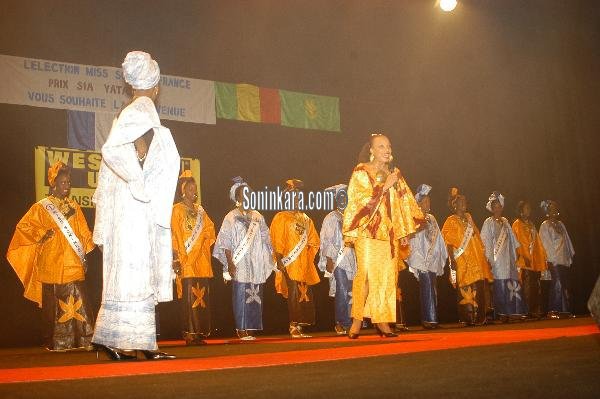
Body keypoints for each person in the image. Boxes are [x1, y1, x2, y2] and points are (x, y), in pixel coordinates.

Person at [91, 51, 180, 360]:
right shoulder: (140, 110)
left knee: (129, 273)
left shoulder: (133, 111)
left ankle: (123, 339)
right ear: (154, 87)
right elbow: (112, 150)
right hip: (132, 208)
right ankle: (129, 342)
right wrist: (139, 181)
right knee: (133, 271)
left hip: (129, 207)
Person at [7, 161, 95, 351]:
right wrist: (42, 234)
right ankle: (57, 342)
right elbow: (23, 228)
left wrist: (90, 249)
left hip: (73, 262)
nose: (67, 186)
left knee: (80, 300)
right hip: (52, 263)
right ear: (53, 184)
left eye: (69, 183)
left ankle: (83, 339)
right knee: (54, 305)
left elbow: (84, 232)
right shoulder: (41, 207)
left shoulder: (74, 206)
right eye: (63, 182)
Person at [342, 133, 423, 338]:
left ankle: (383, 322)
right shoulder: (362, 171)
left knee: (387, 277)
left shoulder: (395, 173)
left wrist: (403, 230)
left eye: (388, 146)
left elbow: (403, 204)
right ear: (371, 150)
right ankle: (357, 322)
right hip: (368, 232)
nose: (386, 150)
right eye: (381, 146)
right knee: (367, 275)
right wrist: (384, 186)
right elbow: (358, 202)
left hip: (389, 234)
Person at [214, 177, 275, 340]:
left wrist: (271, 256)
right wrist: (229, 263)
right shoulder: (231, 216)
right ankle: (241, 328)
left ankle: (252, 327)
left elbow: (266, 238)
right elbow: (225, 241)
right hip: (239, 261)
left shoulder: (257, 216)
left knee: (255, 293)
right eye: (244, 194)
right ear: (238, 197)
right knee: (241, 293)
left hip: (256, 261)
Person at [270, 179, 320, 338]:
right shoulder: (281, 217)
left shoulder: (306, 218)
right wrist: (279, 260)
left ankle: (300, 325)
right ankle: (293, 325)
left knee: (303, 295)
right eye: (294, 198)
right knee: (293, 294)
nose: (298, 201)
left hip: (304, 264)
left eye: (299, 198)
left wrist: (308, 257)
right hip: (289, 263)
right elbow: (278, 240)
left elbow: (314, 241)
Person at [171, 171, 216, 344]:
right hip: (187, 260)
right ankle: (190, 333)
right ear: (183, 191)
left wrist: (204, 234)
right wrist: (175, 258)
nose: (193, 192)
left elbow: (210, 229)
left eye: (195, 188)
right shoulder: (176, 210)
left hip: (202, 261)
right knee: (189, 298)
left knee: (202, 298)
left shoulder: (200, 211)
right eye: (190, 188)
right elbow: (174, 235)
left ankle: (200, 332)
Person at [441, 188, 493, 326]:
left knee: (479, 288)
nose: (464, 203)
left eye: (465, 201)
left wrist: (484, 257)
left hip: (476, 259)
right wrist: (452, 260)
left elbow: (477, 237)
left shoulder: (469, 217)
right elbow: (448, 242)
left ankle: (480, 317)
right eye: (461, 201)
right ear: (455, 205)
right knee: (466, 289)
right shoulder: (450, 220)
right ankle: (468, 318)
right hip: (463, 261)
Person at [406, 184, 448, 329]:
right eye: (425, 201)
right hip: (420, 258)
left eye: (429, 201)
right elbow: (409, 237)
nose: (428, 204)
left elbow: (439, 238)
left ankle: (433, 318)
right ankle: (428, 319)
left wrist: (440, 253)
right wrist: (418, 229)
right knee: (426, 287)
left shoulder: (432, 218)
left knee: (433, 287)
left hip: (432, 258)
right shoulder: (414, 218)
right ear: (418, 203)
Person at [480, 192, 527, 321]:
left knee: (512, 285)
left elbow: (513, 239)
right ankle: (501, 313)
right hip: (496, 260)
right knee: (500, 285)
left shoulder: (505, 221)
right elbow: (485, 242)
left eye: (499, 205)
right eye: (495, 205)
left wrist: (517, 253)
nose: (497, 208)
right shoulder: (488, 222)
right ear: (491, 207)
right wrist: (488, 259)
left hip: (508, 258)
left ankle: (514, 311)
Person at [318, 184, 357, 335]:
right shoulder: (331, 217)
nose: (343, 200)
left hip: (351, 258)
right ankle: (341, 322)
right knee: (341, 288)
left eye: (345, 196)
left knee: (351, 290)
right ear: (336, 199)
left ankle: (351, 319)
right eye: (340, 197)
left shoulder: (352, 217)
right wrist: (328, 259)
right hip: (338, 259)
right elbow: (326, 240)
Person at [539, 200, 574, 318]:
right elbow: (545, 243)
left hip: (563, 258)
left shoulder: (561, 224)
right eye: (551, 208)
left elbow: (567, 241)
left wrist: (569, 255)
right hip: (553, 259)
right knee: (557, 282)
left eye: (555, 208)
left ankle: (565, 310)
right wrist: (551, 258)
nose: (554, 210)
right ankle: (553, 310)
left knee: (563, 284)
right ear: (547, 211)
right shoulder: (545, 225)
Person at [512, 200, 547, 319]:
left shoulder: (531, 224)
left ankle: (534, 310)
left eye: (529, 208)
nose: (529, 210)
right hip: (524, 261)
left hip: (534, 261)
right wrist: (524, 256)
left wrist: (541, 257)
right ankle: (525, 310)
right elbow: (517, 242)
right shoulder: (517, 224)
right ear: (521, 211)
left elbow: (537, 242)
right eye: (526, 208)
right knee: (526, 286)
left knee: (535, 286)